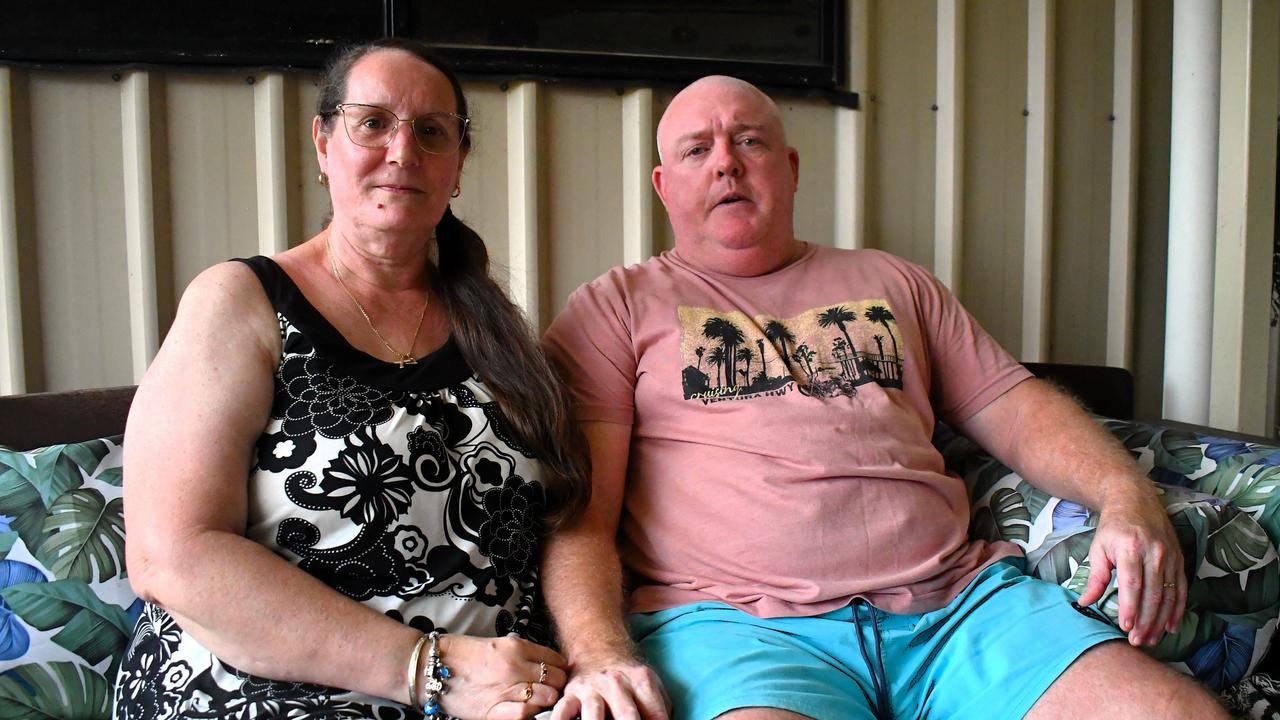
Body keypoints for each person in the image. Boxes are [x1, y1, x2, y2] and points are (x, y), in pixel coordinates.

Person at [541, 75, 1227, 720]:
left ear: (792, 167)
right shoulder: (616, 308)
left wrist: (1126, 495)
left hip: (960, 613)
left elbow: (1017, 409)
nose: (727, 162)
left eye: (750, 140)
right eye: (698, 150)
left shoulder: (893, 281)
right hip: (743, 632)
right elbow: (582, 516)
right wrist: (600, 653)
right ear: (664, 185)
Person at [113, 38, 588, 720]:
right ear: (323, 144)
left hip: (500, 694)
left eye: (431, 132)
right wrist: (430, 669)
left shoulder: (500, 333)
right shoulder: (242, 303)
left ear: (457, 165)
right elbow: (172, 556)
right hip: (269, 687)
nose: (403, 152)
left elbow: (566, 523)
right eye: (373, 123)